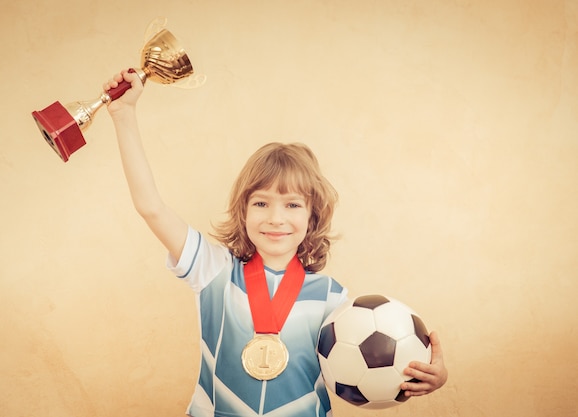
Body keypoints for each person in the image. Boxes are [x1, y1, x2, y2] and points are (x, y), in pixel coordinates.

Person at [104, 69, 448, 417]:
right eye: (261, 203)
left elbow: (365, 376)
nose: (276, 218)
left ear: (313, 216)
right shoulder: (213, 270)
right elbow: (150, 207)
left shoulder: (335, 300)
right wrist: (124, 115)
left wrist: (424, 376)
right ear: (243, 209)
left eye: (293, 205)